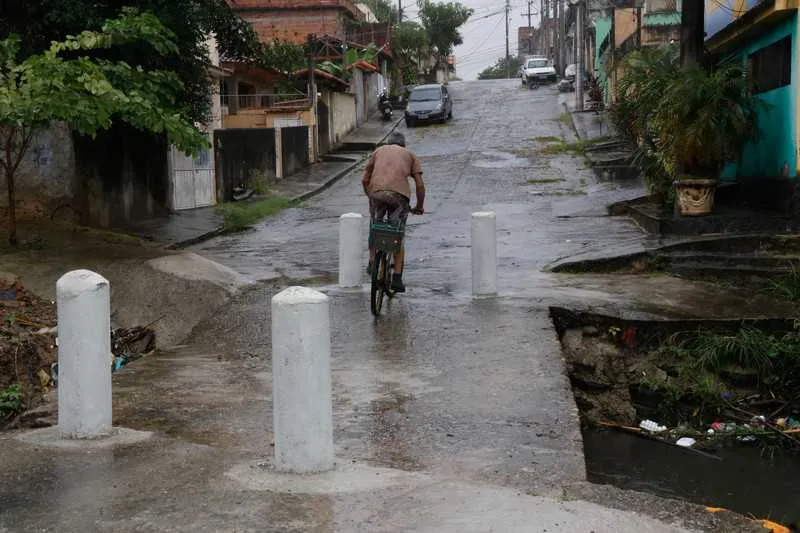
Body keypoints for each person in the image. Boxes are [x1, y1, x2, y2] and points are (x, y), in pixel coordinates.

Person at [362, 132, 425, 293]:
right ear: (403, 145)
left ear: (388, 143)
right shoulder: (410, 155)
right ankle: (397, 277)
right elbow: (419, 184)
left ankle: (371, 262)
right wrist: (419, 206)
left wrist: (370, 195)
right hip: (399, 197)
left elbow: (364, 179)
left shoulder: (378, 151)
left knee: (375, 227)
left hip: (377, 193)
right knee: (397, 233)